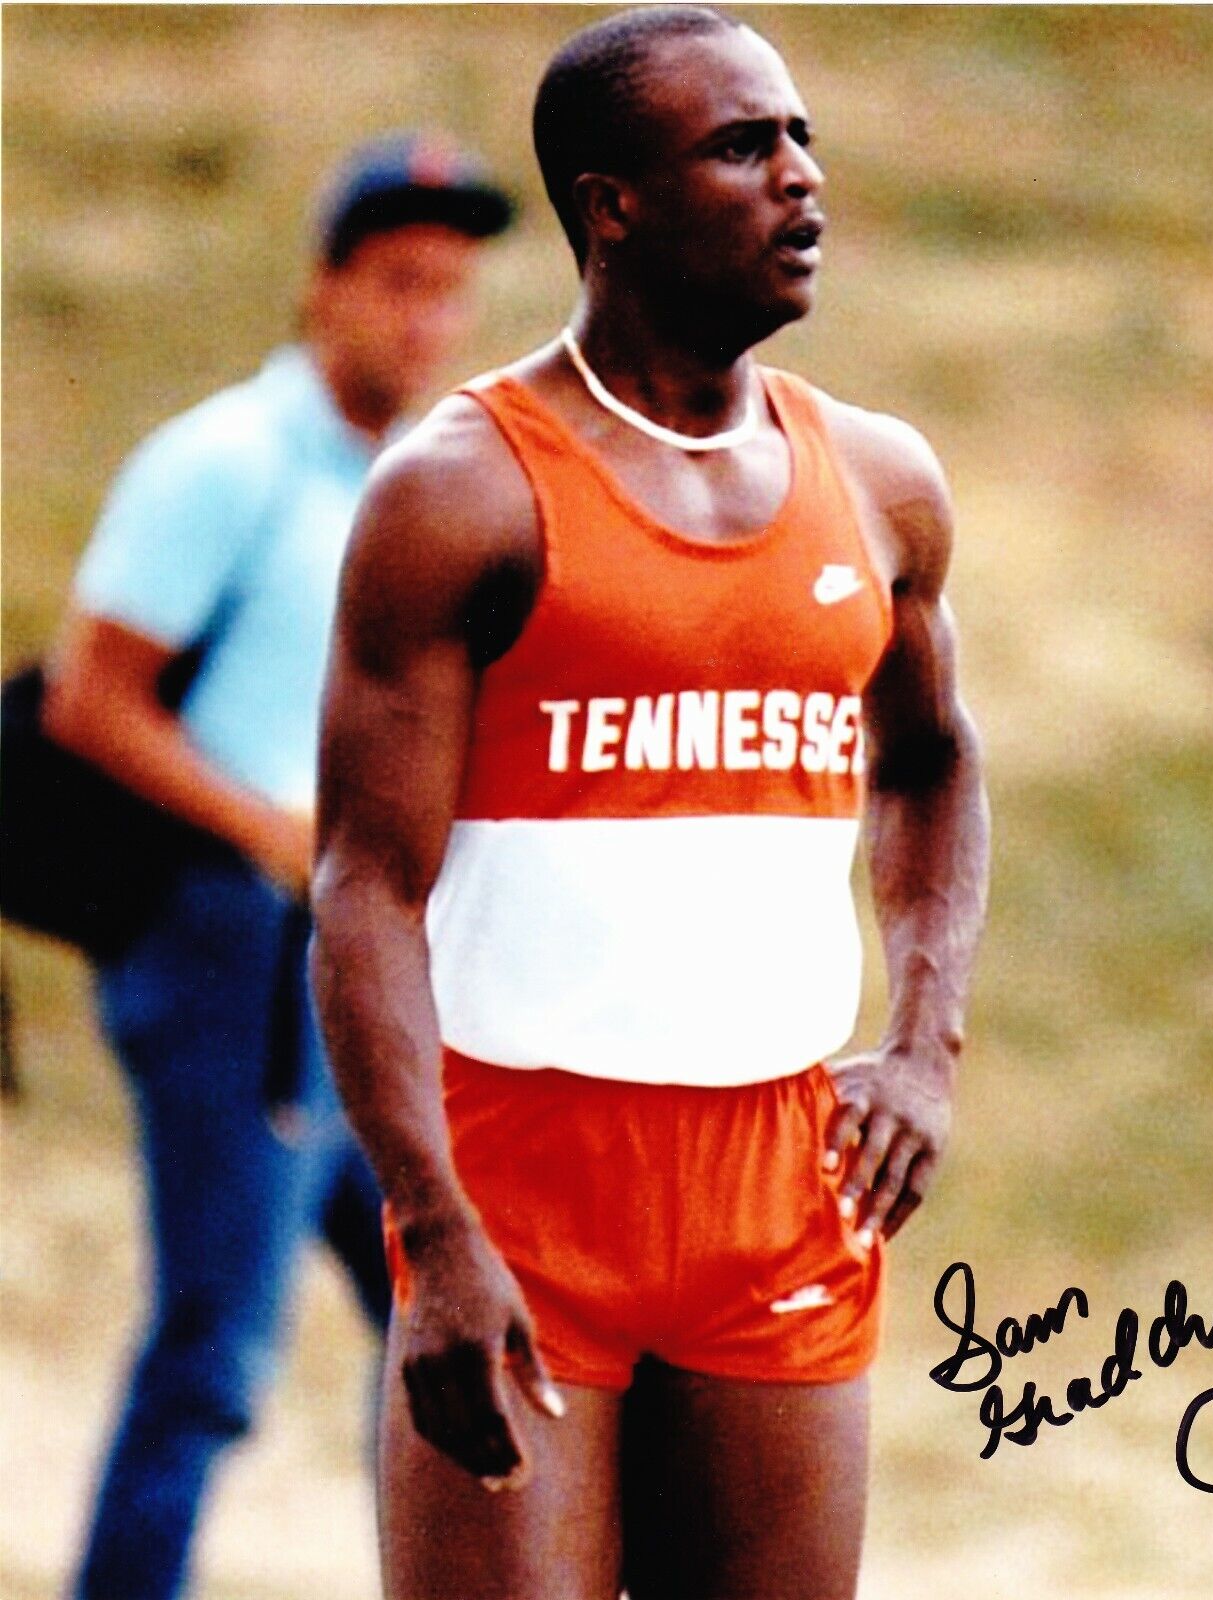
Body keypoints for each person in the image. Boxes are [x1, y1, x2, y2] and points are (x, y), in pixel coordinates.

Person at [312, 9, 989, 1598]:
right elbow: (361, 887)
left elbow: (934, 760)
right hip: (520, 1179)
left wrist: (923, 1039)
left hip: (778, 1174)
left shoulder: (878, 483)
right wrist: (430, 1227)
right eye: (743, 146)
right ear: (611, 202)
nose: (800, 179)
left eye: (801, 137)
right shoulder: (460, 490)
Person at [43, 132, 514, 1600]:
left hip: (336, 965)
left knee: (433, 1309)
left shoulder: (411, 482)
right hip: (219, 945)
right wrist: (275, 832)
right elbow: (86, 694)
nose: (423, 319)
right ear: (325, 286)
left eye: (448, 291)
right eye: (396, 285)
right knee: (218, 1345)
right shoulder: (227, 462)